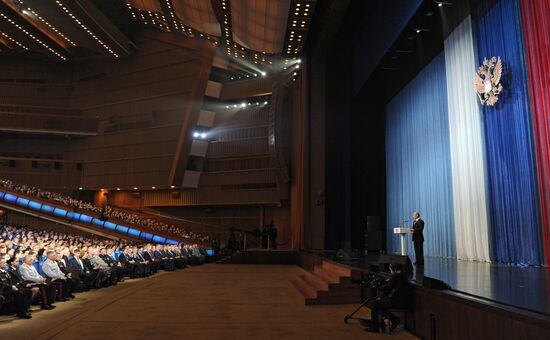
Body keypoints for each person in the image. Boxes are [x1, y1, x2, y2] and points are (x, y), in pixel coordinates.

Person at [365, 263, 410, 333]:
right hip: (404, 301)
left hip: (398, 302)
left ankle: (374, 327)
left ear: (394, 270)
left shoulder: (396, 277)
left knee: (375, 304)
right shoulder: (403, 276)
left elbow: (388, 289)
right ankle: (394, 319)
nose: (390, 272)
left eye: (391, 270)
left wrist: (381, 297)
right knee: (381, 305)